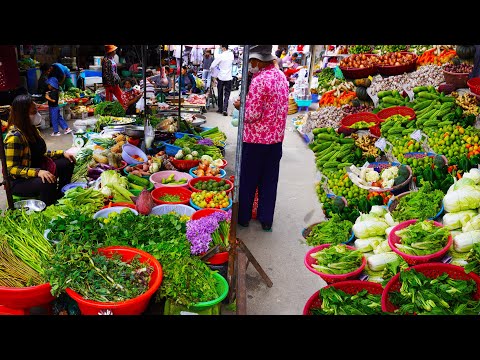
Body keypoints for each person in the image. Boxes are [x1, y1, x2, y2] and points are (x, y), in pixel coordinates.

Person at [233, 45, 289, 232]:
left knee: (248, 180)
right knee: (269, 180)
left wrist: (240, 106)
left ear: (257, 61)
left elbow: (252, 115)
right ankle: (266, 220)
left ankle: (244, 218)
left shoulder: (259, 81)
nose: (250, 66)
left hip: (256, 140)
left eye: (251, 62)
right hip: (275, 140)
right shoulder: (281, 77)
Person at [3, 94, 76, 206]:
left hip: (36, 167)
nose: (37, 115)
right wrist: (38, 172)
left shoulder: (32, 129)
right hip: (19, 181)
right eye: (33, 112)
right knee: (47, 182)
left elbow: (39, 153)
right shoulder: (14, 137)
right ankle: (48, 207)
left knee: (67, 162)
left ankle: (60, 194)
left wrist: (62, 153)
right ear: (23, 115)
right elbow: (12, 169)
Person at [210, 45, 234, 116]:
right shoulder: (231, 55)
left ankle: (220, 109)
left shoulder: (221, 56)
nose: (220, 49)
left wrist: (213, 72)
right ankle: (225, 109)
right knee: (227, 94)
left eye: (221, 47)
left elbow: (212, 65)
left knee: (220, 93)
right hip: (229, 78)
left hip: (221, 77)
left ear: (223, 48)